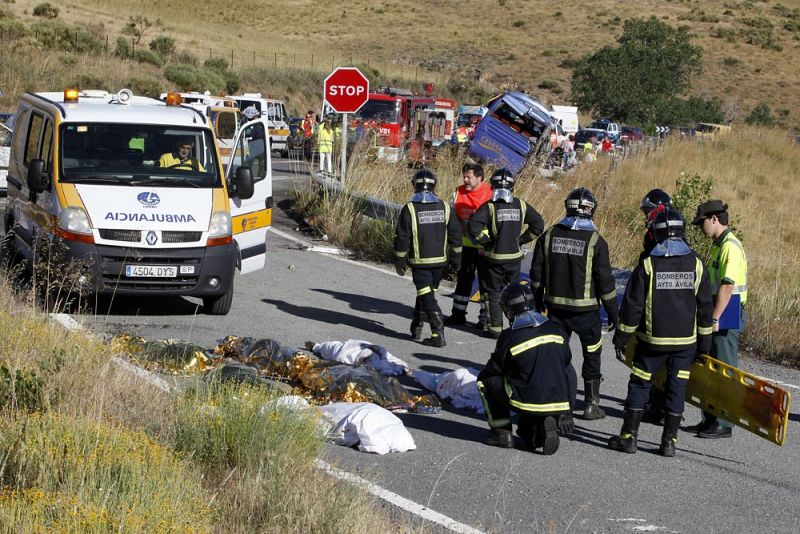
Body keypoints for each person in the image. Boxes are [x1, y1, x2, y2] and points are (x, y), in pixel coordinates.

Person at [610, 206, 713, 457]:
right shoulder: (697, 263)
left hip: (651, 344)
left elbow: (632, 307)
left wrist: (621, 337)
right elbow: (704, 308)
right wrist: (705, 346)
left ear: (655, 233)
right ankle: (669, 443)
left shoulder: (647, 264)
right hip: (684, 345)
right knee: (676, 389)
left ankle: (628, 438)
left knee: (640, 386)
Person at [529, 188, 618, 420]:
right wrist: (613, 312)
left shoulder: (548, 235)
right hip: (587, 313)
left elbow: (536, 275)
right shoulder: (596, 242)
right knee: (592, 355)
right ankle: (591, 404)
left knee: (557, 355)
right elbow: (605, 282)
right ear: (591, 209)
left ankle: (556, 401)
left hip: (555, 310)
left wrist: (537, 302)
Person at [476, 282, 577, 455]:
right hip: (558, 400)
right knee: (529, 438)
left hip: (526, 399)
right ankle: (543, 422)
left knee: (484, 380)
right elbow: (569, 371)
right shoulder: (557, 329)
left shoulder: (510, 336)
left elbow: (494, 369)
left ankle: (502, 433)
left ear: (509, 310)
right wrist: (568, 411)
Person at [689, 200, 748, 439]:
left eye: (701, 222)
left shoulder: (730, 247)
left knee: (723, 368)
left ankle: (724, 423)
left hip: (727, 309)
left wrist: (715, 317)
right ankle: (709, 418)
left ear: (714, 219)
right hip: (718, 308)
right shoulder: (718, 244)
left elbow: (727, 286)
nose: (700, 227)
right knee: (709, 366)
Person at [468, 168, 545, 338]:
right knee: (515, 294)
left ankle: (494, 329)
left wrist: (486, 242)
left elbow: (473, 226)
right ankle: (517, 327)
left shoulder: (489, 207)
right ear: (512, 186)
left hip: (494, 259)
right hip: (514, 259)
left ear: (493, 186)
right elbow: (538, 224)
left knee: (492, 293)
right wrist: (521, 240)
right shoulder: (521, 205)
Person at [394, 169, 462, 347]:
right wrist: (456, 261)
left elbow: (402, 238)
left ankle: (437, 332)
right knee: (425, 294)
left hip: (420, 263)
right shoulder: (446, 207)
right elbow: (456, 236)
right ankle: (416, 326)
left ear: (415, 185)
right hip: (440, 263)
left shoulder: (410, 208)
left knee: (427, 296)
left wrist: (400, 261)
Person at [637, 188, 674, 425]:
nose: (646, 216)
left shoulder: (663, 229)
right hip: (667, 298)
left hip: (660, 297)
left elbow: (652, 259)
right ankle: (656, 405)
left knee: (655, 355)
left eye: (648, 211)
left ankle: (656, 406)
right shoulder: (665, 225)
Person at [444, 163, 492, 329]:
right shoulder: (458, 192)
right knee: (464, 280)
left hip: (484, 246)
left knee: (486, 283)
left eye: (469, 177)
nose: (465, 180)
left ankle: (485, 319)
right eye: (464, 176)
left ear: (479, 178)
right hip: (464, 245)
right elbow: (451, 215)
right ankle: (458, 315)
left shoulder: (490, 193)